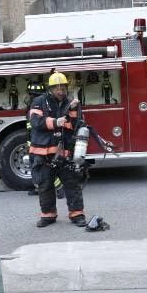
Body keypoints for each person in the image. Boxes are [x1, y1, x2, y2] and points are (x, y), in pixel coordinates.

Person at [29, 72, 87, 227]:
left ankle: (77, 214)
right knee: (45, 185)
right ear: (50, 89)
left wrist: (74, 110)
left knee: (72, 183)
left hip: (64, 153)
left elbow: (75, 126)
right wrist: (55, 122)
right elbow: (35, 121)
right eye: (57, 88)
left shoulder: (70, 103)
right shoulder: (39, 102)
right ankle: (48, 215)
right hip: (43, 154)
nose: (60, 91)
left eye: (63, 88)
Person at [25, 81, 63, 198]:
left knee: (42, 168)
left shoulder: (37, 108)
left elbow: (36, 128)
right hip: (35, 143)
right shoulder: (40, 107)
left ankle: (59, 189)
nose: (32, 98)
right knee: (40, 168)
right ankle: (39, 188)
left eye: (33, 95)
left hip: (38, 144)